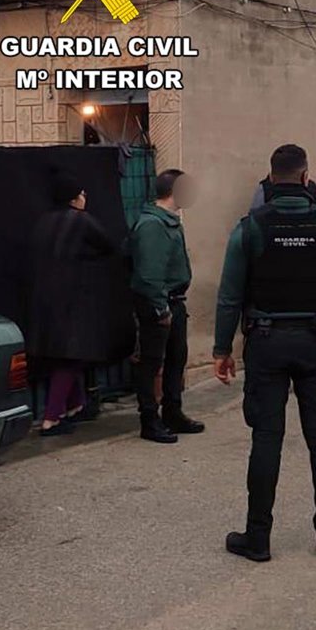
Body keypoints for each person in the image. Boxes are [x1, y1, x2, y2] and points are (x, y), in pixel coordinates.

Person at [214, 144, 316, 563]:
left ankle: (258, 538)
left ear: (270, 179)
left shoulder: (250, 227)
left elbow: (229, 296)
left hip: (266, 342)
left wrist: (222, 349)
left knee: (266, 438)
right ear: (305, 177)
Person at [27, 170, 118, 436]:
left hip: (44, 301)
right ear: (73, 198)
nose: (85, 197)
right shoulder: (81, 220)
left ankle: (75, 405)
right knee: (71, 357)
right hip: (73, 301)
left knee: (63, 356)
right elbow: (108, 245)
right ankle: (51, 418)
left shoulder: (42, 222)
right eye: (82, 193)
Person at [130, 169, 202, 444]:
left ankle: (173, 412)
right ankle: (149, 419)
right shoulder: (152, 225)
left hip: (174, 301)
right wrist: (160, 309)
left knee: (176, 358)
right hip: (158, 303)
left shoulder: (169, 222)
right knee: (151, 362)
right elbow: (149, 273)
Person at [249, 174, 316, 212]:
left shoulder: (264, 189)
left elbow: (252, 221)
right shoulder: (314, 190)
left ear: (272, 178)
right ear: (305, 177)